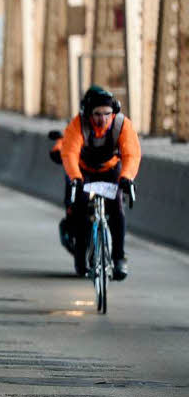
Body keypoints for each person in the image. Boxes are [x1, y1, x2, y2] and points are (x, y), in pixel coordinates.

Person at [60, 86, 141, 280]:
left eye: (107, 114)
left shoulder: (122, 125)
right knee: (80, 209)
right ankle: (80, 256)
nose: (102, 119)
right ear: (89, 113)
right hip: (85, 171)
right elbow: (70, 152)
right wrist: (75, 178)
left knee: (117, 209)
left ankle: (119, 257)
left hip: (110, 170)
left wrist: (127, 177)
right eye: (97, 114)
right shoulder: (78, 124)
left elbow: (131, 153)